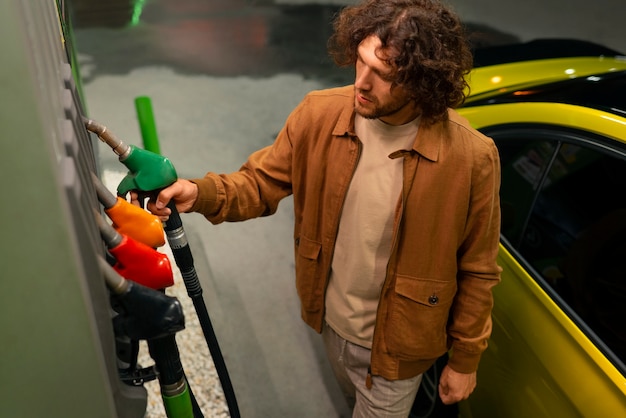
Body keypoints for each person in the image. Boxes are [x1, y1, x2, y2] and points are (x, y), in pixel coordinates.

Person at [141, 0, 502, 416]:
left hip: (401, 348)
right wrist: (198, 192)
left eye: (382, 75)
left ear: (421, 81)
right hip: (330, 322)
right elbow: (260, 183)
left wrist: (465, 360)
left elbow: (478, 266)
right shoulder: (319, 114)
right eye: (361, 61)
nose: (361, 83)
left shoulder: (472, 157)